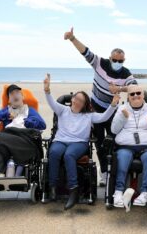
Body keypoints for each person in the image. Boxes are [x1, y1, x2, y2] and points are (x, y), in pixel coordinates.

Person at [64, 27, 138, 186]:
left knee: (114, 142)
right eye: (115, 60)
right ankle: (104, 173)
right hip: (95, 108)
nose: (118, 63)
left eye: (121, 61)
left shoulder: (125, 73)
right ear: (110, 58)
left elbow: (134, 88)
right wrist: (72, 38)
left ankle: (115, 171)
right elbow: (85, 52)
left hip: (112, 110)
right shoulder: (100, 63)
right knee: (99, 143)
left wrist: (119, 89)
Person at [44, 73, 119, 210]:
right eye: (76, 99)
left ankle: (74, 189)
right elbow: (51, 102)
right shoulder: (63, 110)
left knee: (69, 155)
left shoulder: (88, 116)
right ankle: (53, 186)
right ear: (72, 99)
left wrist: (113, 105)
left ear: (85, 104)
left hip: (79, 143)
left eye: (81, 101)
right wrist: (47, 90)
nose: (78, 102)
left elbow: (103, 117)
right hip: (61, 140)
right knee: (53, 152)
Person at [111, 85, 147, 207]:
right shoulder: (122, 108)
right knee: (123, 158)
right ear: (128, 97)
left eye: (138, 93)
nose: (135, 96)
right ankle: (118, 192)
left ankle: (144, 193)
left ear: (143, 95)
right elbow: (114, 130)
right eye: (132, 94)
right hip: (126, 145)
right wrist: (122, 118)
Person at [0, 84, 46, 177]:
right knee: (0, 138)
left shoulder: (29, 110)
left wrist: (28, 121)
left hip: (23, 136)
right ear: (9, 100)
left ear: (22, 97)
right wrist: (7, 114)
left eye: (18, 93)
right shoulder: (7, 110)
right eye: (12, 94)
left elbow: (42, 125)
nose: (15, 95)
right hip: (8, 135)